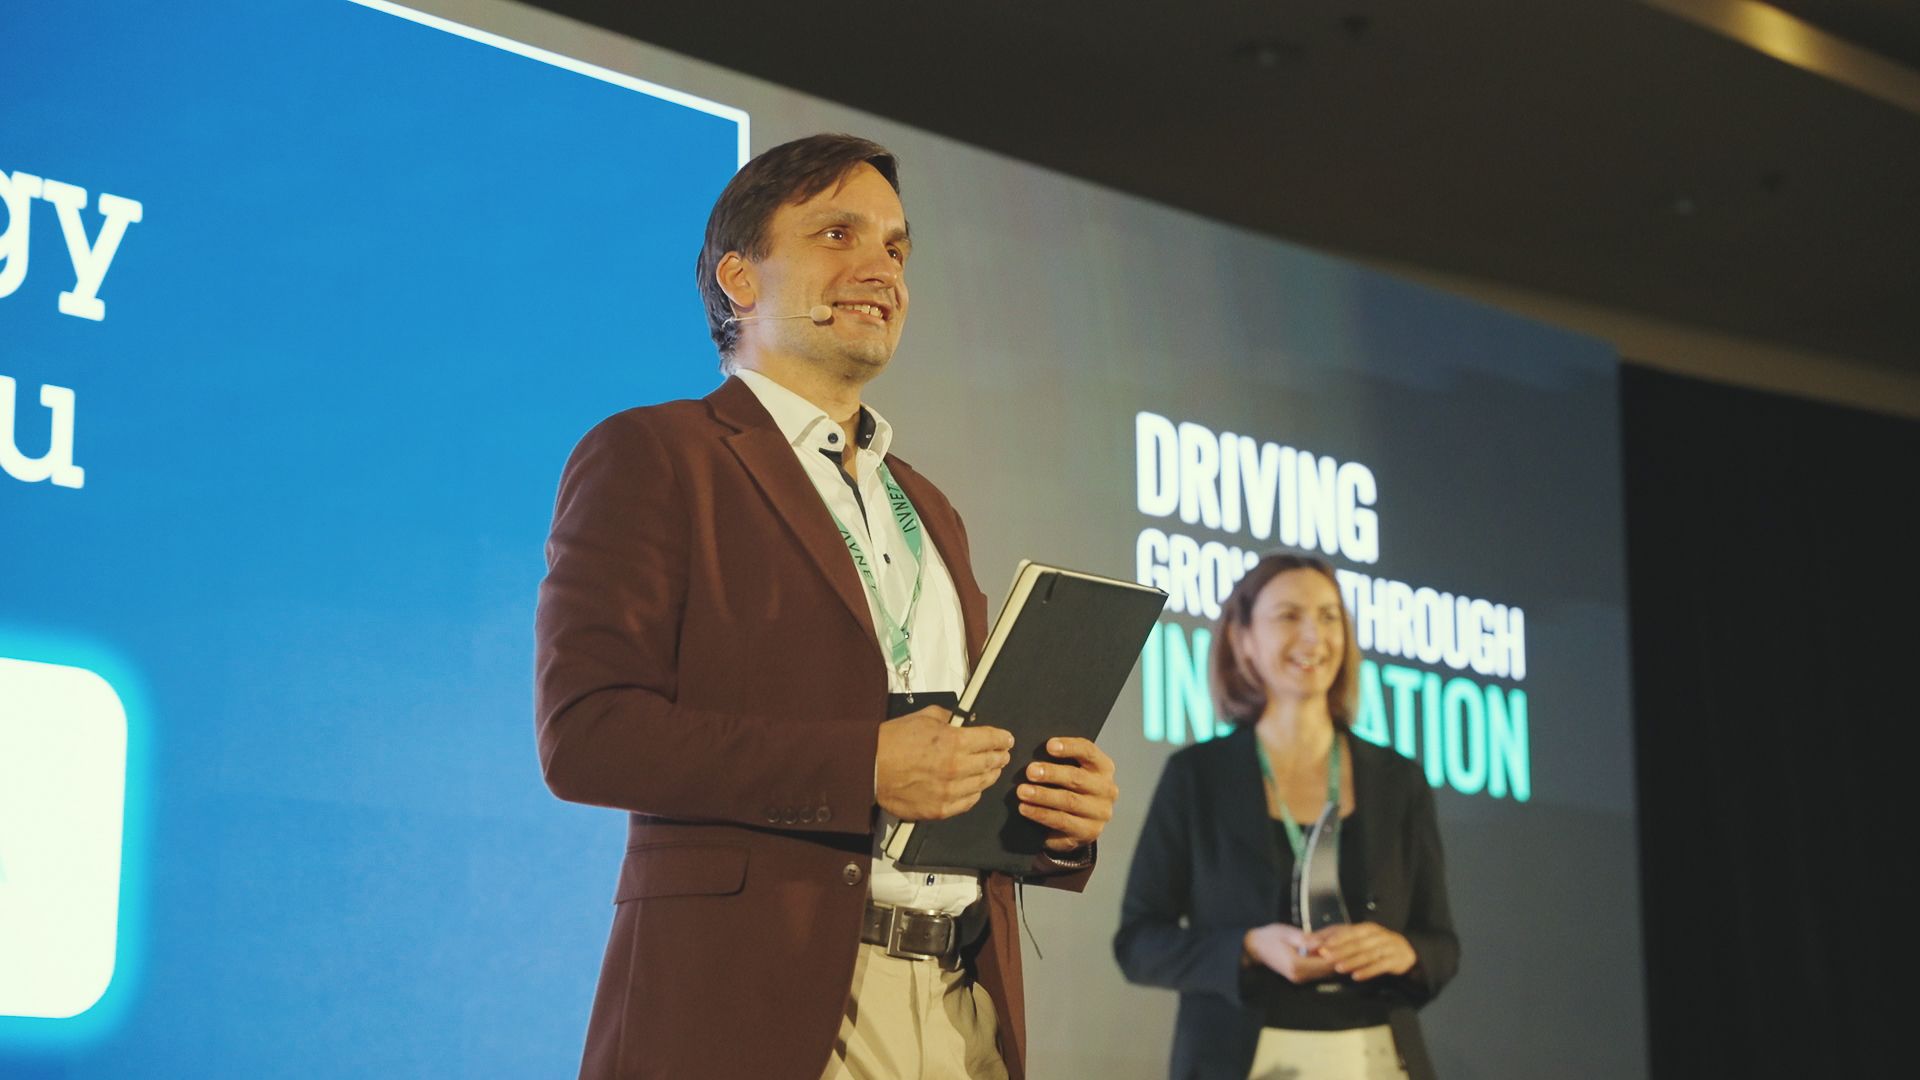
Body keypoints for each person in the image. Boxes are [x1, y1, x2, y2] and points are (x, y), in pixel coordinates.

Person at [534, 133, 1118, 1080]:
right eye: (837, 235)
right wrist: (863, 767)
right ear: (739, 277)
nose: (881, 269)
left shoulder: (929, 507)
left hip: (963, 1006)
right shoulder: (657, 456)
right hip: (762, 1008)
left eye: (895, 247)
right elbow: (587, 736)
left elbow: (944, 759)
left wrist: (1049, 812)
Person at [1114, 552, 1458, 1080]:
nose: (1313, 636)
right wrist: (1247, 947)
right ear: (1243, 639)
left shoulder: (1399, 779)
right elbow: (1138, 944)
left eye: (1328, 616)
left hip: (1378, 1057)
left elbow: (1441, 947)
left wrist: (1402, 951)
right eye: (1289, 616)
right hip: (1238, 1060)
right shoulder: (1197, 776)